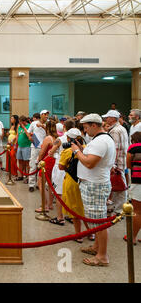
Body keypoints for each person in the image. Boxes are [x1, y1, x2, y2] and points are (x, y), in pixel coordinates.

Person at [71, 113, 115, 267]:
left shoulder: (101, 141)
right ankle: (97, 247)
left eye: (86, 127)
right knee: (95, 218)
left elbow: (90, 163)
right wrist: (82, 149)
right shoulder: (101, 140)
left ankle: (102, 256)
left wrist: (77, 151)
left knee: (98, 222)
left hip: (94, 185)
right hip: (93, 183)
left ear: (94, 125)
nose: (85, 131)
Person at [58, 128, 91, 242]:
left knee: (75, 209)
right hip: (85, 180)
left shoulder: (67, 151)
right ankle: (90, 233)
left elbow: (61, 167)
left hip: (72, 181)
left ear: (68, 138)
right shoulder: (87, 149)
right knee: (85, 208)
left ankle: (79, 235)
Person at [49, 118, 76, 220]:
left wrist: (57, 155)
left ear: (64, 127)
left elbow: (51, 152)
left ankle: (60, 217)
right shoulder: (79, 138)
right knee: (71, 194)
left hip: (60, 166)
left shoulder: (60, 139)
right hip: (73, 168)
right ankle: (72, 215)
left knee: (59, 193)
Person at [102, 110, 129, 214]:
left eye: (108, 117)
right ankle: (119, 207)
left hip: (117, 163)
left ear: (113, 119)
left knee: (120, 187)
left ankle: (120, 210)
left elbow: (115, 149)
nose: (106, 119)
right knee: (120, 185)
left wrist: (113, 164)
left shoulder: (114, 131)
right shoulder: (121, 128)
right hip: (121, 161)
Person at [36, 119, 58, 215]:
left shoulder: (48, 138)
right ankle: (50, 204)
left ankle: (44, 205)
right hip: (54, 161)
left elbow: (42, 152)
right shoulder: (57, 138)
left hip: (46, 161)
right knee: (49, 184)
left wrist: (38, 160)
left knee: (40, 183)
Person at [27, 110, 48, 192]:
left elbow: (50, 133)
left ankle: (40, 183)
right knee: (33, 165)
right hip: (35, 146)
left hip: (44, 147)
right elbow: (28, 132)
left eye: (47, 115)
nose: (46, 116)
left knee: (42, 166)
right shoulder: (33, 123)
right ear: (41, 115)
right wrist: (30, 137)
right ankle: (31, 184)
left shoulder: (47, 124)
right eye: (45, 114)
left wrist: (43, 126)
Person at [125, 132, 141, 244]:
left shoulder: (134, 147)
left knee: (137, 211)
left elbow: (129, 164)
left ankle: (133, 237)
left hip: (138, 180)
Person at [15, 115, 31, 182]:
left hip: (26, 146)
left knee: (27, 162)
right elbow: (18, 135)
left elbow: (29, 135)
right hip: (20, 146)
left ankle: (28, 177)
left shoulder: (29, 126)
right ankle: (20, 176)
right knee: (20, 161)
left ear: (24, 121)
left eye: (20, 122)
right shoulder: (19, 127)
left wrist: (24, 127)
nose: (19, 123)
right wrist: (16, 144)